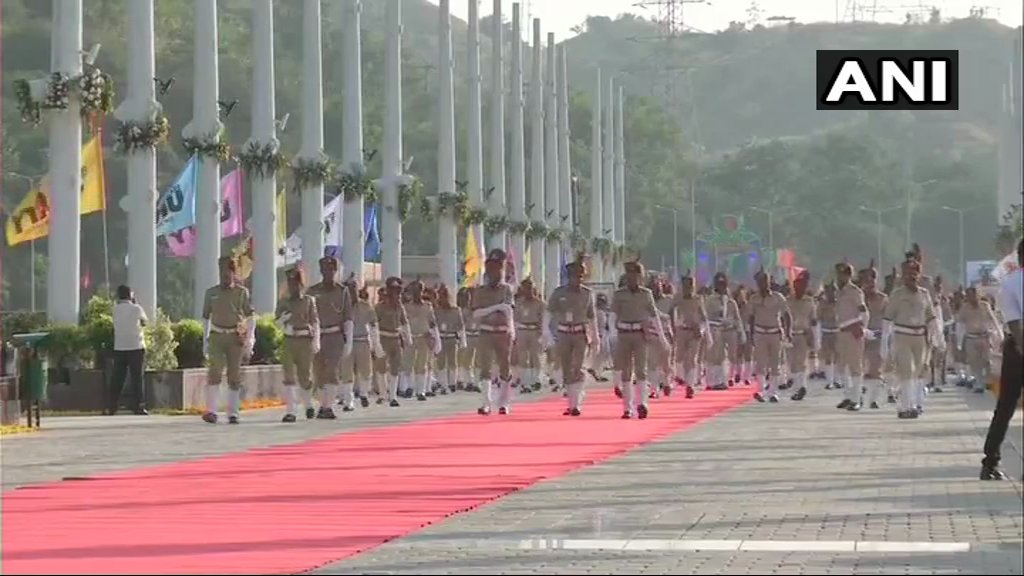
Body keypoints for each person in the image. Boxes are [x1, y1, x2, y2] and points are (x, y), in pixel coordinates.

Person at [980, 238, 1023, 480]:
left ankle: (990, 462)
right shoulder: (1012, 282)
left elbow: (1013, 320)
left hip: (1015, 347)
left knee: (1005, 406)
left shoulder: (1008, 283)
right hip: (1019, 346)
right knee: (1006, 405)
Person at [880, 258, 941, 419]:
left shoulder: (924, 294)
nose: (911, 276)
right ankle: (907, 407)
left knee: (918, 373)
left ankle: (911, 405)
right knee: (906, 371)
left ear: (919, 275)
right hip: (902, 336)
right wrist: (884, 343)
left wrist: (937, 337)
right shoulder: (897, 294)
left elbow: (931, 317)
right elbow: (887, 319)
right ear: (902, 275)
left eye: (914, 273)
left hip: (920, 338)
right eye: (907, 273)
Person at [201, 256, 255, 425]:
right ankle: (211, 411)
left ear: (233, 273)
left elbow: (251, 316)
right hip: (217, 335)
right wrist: (205, 340)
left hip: (235, 337)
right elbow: (205, 318)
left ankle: (233, 413)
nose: (224, 276)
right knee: (215, 372)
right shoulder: (211, 293)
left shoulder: (241, 293)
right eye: (222, 272)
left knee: (234, 375)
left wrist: (250, 338)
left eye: (227, 273)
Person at [610, 260, 666, 419]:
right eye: (629, 275)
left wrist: (662, 337)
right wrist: (612, 333)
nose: (632, 278)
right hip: (624, 334)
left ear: (640, 277)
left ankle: (642, 403)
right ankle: (627, 408)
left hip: (640, 334)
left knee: (641, 370)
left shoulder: (646, 294)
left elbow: (654, 316)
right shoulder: (619, 294)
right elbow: (613, 314)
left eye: (636, 275)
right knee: (626, 371)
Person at [548, 259, 597, 416]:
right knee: (566, 367)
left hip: (580, 333)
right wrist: (546, 332)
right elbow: (549, 312)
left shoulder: (587, 294)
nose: (578, 279)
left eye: (580, 276)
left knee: (578, 366)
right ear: (568, 277)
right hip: (563, 332)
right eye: (575, 276)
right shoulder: (559, 292)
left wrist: (596, 337)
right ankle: (571, 402)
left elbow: (591, 317)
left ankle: (576, 403)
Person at [472, 249, 516, 415]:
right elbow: (476, 313)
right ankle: (486, 402)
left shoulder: (506, 290)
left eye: (498, 268)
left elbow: (509, 311)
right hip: (486, 332)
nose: (494, 272)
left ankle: (504, 402)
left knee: (505, 367)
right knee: (485, 367)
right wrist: (496, 307)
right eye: (491, 268)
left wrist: (512, 329)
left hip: (503, 332)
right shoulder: (480, 291)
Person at [308, 257, 352, 419]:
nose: (329, 273)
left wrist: (348, 340)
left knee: (332, 371)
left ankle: (329, 406)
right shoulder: (312, 291)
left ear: (335, 271)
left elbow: (347, 316)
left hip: (335, 336)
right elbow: (308, 316)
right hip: (318, 335)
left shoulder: (342, 291)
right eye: (325, 270)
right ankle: (322, 405)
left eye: (331, 270)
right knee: (319, 372)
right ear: (321, 271)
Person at [275, 268, 320, 423]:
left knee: (305, 376)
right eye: (290, 283)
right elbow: (276, 320)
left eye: (296, 283)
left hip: (304, 340)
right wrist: (282, 322)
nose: (293, 286)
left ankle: (308, 405)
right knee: (288, 376)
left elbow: (314, 321)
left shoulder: (308, 300)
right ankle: (291, 410)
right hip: (289, 340)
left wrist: (316, 340)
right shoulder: (283, 302)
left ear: (301, 284)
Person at [747, 270, 791, 403]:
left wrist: (788, 332)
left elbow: (786, 315)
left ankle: (773, 392)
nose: (762, 284)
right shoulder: (754, 299)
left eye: (765, 281)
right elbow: (750, 317)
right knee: (760, 363)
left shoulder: (778, 297)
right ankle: (760, 391)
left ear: (769, 282)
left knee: (775, 363)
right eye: (760, 282)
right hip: (760, 333)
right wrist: (750, 334)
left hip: (775, 333)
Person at [340, 279, 380, 411]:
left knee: (365, 370)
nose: (352, 291)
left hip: (363, 341)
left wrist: (376, 344)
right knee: (346, 372)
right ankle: (348, 401)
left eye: (354, 288)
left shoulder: (365, 306)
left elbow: (373, 324)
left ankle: (363, 394)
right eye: (349, 289)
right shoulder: (340, 307)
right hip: (346, 342)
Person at [108, 285, 149, 415]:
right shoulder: (137, 308)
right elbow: (145, 323)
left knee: (117, 378)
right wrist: (135, 303)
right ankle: (139, 406)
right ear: (130, 295)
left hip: (120, 347)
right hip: (136, 346)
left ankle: (112, 406)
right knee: (137, 378)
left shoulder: (115, 309)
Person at [834, 262, 869, 411]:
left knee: (855, 366)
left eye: (842, 274)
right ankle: (848, 396)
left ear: (848, 275)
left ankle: (856, 399)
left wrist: (862, 328)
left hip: (853, 331)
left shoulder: (855, 291)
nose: (839, 277)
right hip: (842, 331)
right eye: (838, 274)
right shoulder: (839, 292)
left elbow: (864, 311)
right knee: (842, 365)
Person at [669, 272, 707, 399]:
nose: (688, 288)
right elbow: (670, 311)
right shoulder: (678, 298)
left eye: (691, 285)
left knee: (692, 359)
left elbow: (703, 317)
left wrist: (701, 330)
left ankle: (690, 386)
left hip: (694, 331)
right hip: (681, 330)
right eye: (686, 285)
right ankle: (679, 377)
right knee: (679, 358)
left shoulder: (698, 299)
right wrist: (673, 325)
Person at [956, 286, 1001, 394]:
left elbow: (993, 319)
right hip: (970, 338)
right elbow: (960, 324)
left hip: (984, 337)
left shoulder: (985, 306)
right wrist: (959, 341)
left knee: (987, 361)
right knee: (974, 362)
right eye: (969, 295)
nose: (972, 297)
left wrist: (998, 333)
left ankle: (988, 381)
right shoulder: (964, 308)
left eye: (973, 295)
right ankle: (979, 384)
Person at [859, 262, 889, 408]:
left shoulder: (883, 299)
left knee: (876, 369)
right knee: (857, 368)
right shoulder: (857, 298)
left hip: (877, 336)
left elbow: (888, 319)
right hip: (859, 336)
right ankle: (857, 395)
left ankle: (874, 399)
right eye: (865, 280)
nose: (869, 283)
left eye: (872, 280)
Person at [787, 271, 817, 401]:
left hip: (803, 335)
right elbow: (782, 318)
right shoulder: (787, 301)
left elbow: (813, 320)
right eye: (798, 285)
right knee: (791, 363)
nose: (800, 288)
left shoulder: (810, 301)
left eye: (803, 285)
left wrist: (814, 337)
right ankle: (797, 388)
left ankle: (801, 387)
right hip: (790, 335)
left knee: (801, 362)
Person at [513, 278, 545, 394]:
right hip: (522, 330)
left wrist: (542, 334)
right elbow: (515, 319)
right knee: (523, 357)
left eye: (530, 288)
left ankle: (536, 380)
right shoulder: (519, 303)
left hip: (534, 330)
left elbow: (543, 319)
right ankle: (525, 382)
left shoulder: (539, 303)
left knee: (535, 356)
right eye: (525, 288)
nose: (528, 291)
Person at [433, 284, 466, 397]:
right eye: (441, 296)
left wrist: (462, 341)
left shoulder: (456, 310)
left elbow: (460, 326)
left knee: (453, 361)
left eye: (445, 296)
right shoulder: (436, 311)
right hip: (441, 338)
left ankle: (452, 383)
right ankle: (443, 384)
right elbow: (433, 325)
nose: (443, 298)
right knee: (441, 362)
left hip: (452, 337)